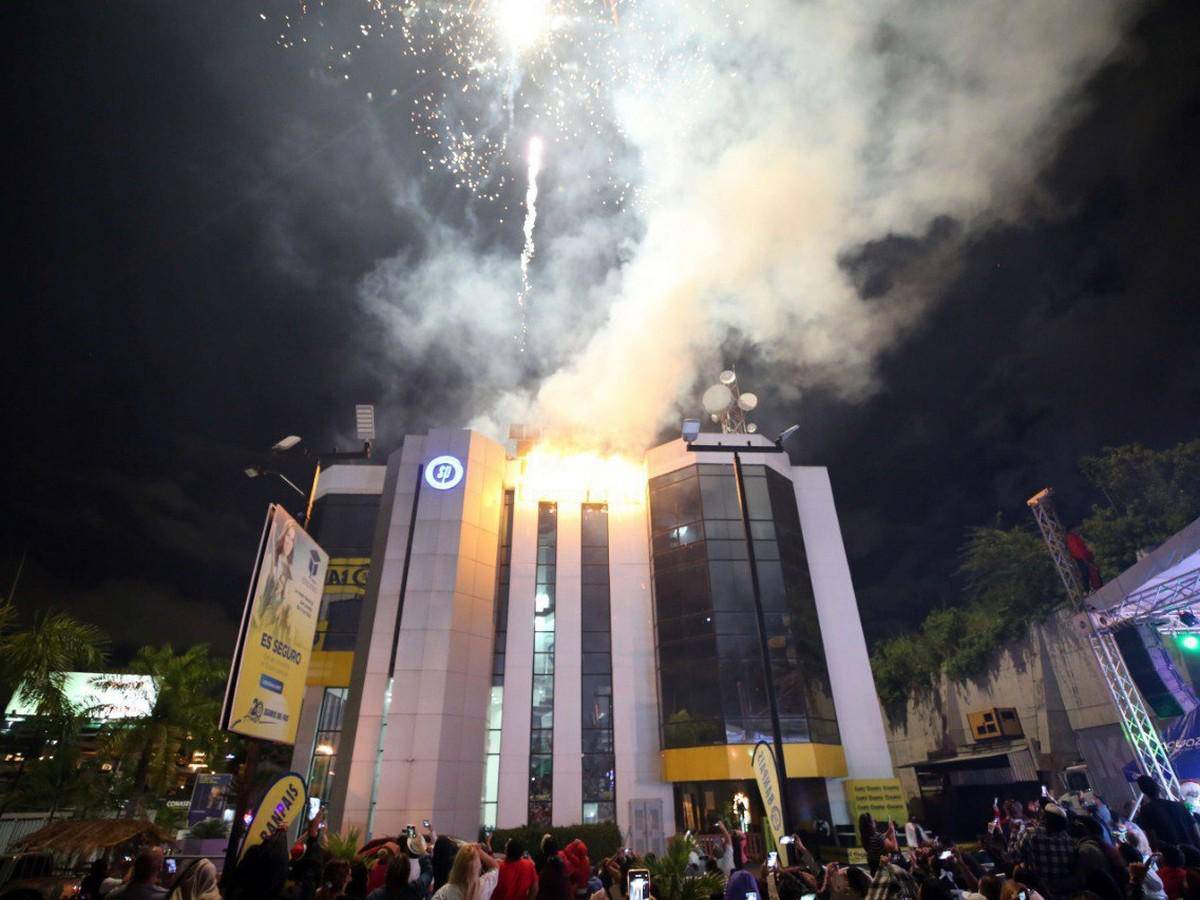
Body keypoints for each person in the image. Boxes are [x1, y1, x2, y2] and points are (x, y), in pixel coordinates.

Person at [1017, 804, 1079, 900]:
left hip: (1040, 895)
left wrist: (1015, 831)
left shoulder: (1031, 834)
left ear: (1044, 818)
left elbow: (1011, 856)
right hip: (1066, 895)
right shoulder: (1069, 840)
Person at [1135, 776, 1200, 850]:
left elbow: (1152, 837)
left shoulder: (1146, 810)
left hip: (1173, 854)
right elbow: (1194, 826)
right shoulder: (1177, 805)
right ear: (1158, 788)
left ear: (1143, 791)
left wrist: (1156, 852)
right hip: (1193, 850)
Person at [433, 844, 500, 900]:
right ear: (478, 866)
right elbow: (495, 867)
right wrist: (479, 851)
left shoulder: (444, 893)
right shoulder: (484, 887)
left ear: (456, 864)